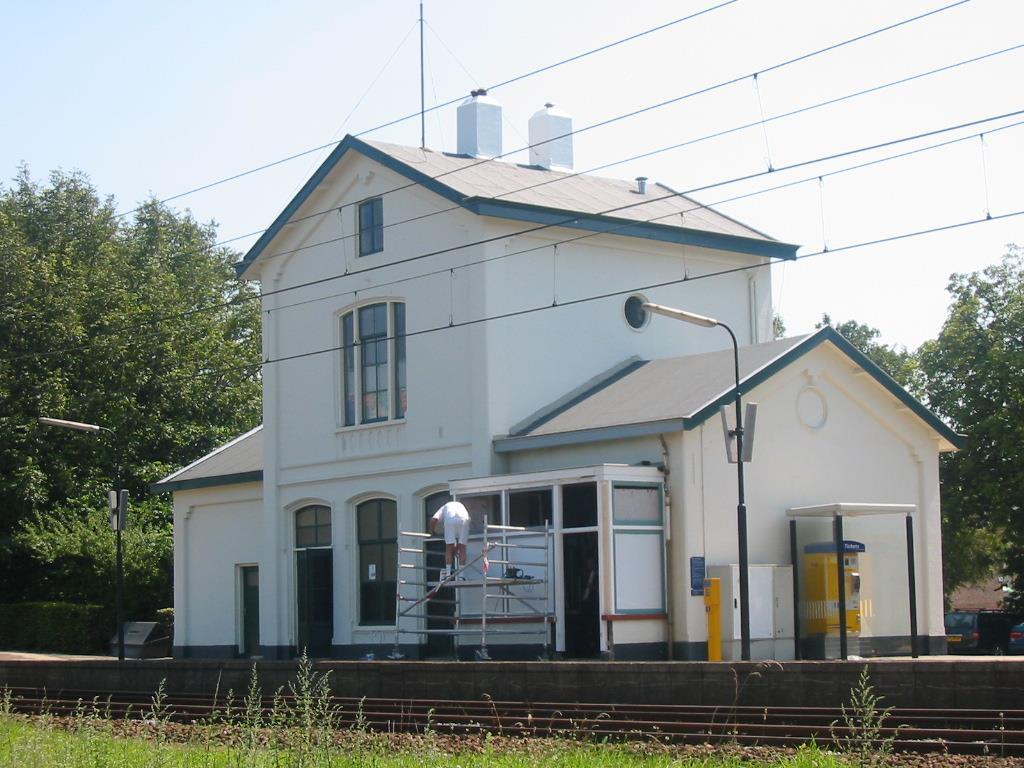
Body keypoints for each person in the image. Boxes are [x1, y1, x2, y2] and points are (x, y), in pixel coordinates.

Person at [429, 500, 471, 579]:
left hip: (450, 519)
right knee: (462, 547)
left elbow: (433, 520)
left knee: (449, 548)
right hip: (465, 519)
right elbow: (460, 543)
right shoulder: (460, 505)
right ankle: (461, 576)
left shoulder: (444, 507)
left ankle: (448, 574)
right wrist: (457, 547)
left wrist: (433, 531)